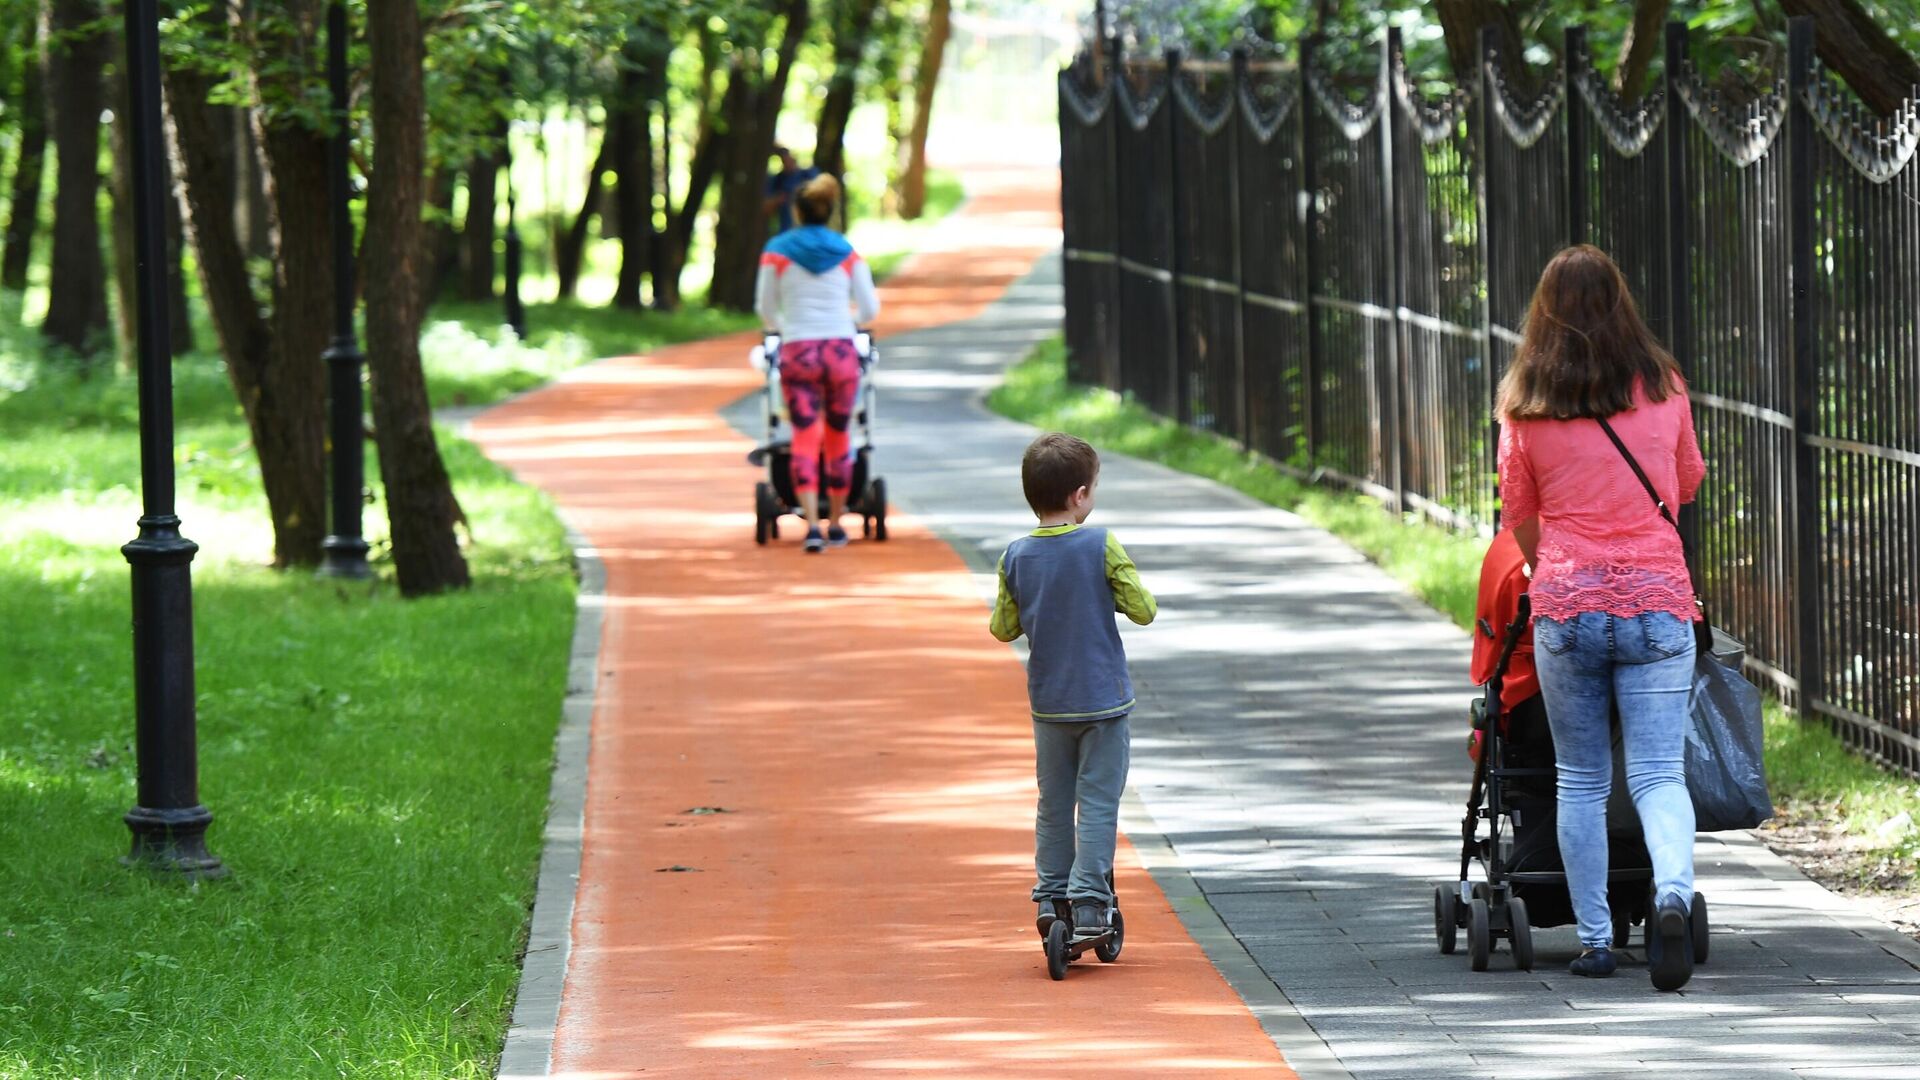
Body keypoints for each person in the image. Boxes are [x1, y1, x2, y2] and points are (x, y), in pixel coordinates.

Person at [1496, 243, 1706, 991]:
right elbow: (1683, 486)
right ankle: (1672, 895)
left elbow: (1519, 517)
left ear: (1543, 312)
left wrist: (1555, 563)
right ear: (1621, 302)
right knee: (1656, 774)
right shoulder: (1666, 385)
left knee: (1579, 779)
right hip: (1656, 601)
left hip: (1567, 604)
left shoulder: (1524, 401)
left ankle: (1594, 942)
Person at [990, 433, 1157, 940]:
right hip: (1104, 701)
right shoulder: (1100, 543)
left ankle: (1050, 894)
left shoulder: (1015, 556)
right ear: (1080, 495)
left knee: (1055, 803)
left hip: (1050, 704)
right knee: (1100, 803)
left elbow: (1003, 627)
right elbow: (1143, 610)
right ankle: (1089, 900)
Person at [754, 174, 880, 553]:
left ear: (796, 211)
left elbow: (764, 308)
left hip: (799, 353)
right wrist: (847, 324)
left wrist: (782, 327)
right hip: (841, 353)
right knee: (840, 435)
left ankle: (811, 526)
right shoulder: (846, 250)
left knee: (804, 437)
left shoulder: (776, 250)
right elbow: (870, 309)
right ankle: (838, 524)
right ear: (829, 212)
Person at [763, 146, 821, 234]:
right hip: (787, 228)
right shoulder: (778, 179)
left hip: (808, 229)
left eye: (788, 157)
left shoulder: (807, 174)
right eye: (783, 159)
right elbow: (766, 208)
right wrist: (778, 199)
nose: (786, 162)